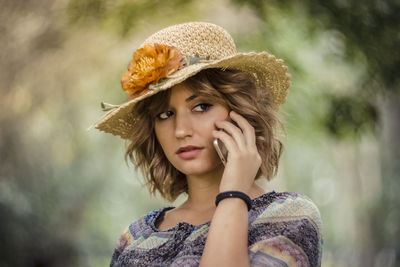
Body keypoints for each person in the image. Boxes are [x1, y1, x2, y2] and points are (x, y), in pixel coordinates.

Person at [94, 22, 323, 267]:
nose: (181, 130)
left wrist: (234, 192)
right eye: (164, 115)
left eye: (201, 106)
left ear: (240, 113)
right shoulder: (134, 238)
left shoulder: (288, 217)